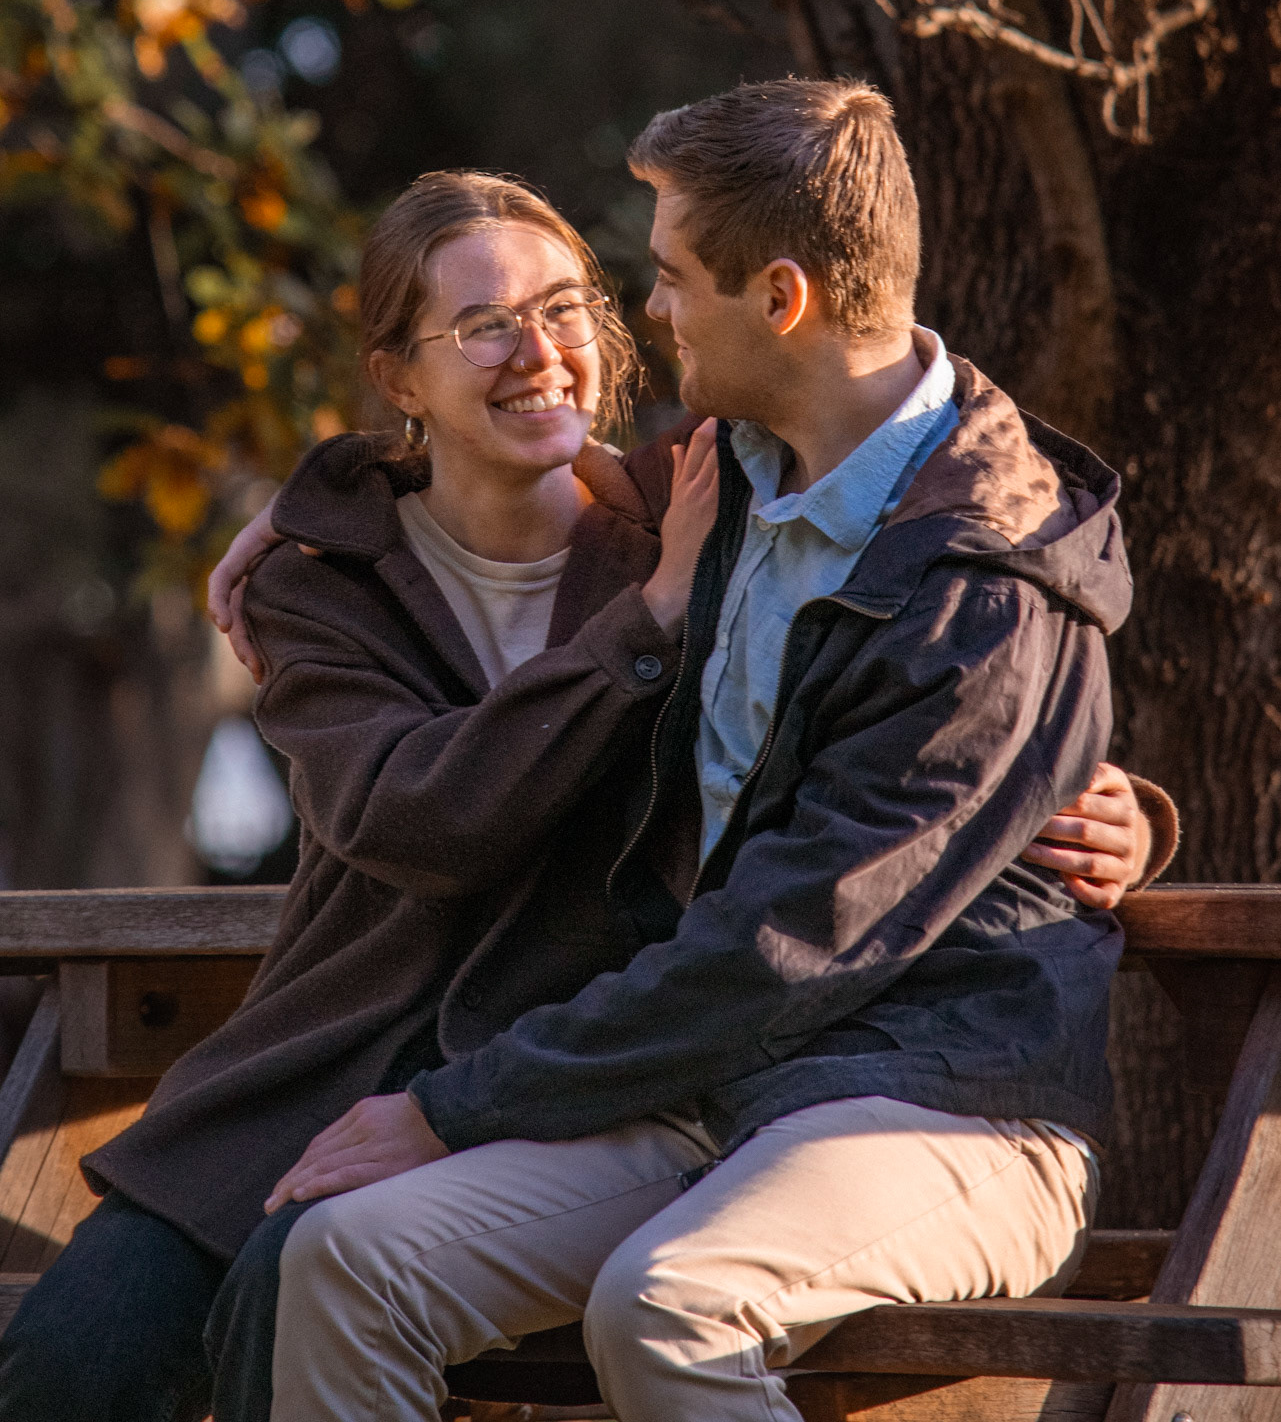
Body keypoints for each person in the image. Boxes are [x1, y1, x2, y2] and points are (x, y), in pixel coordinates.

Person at [233, 79, 1178, 1422]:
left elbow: (790, 938)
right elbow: (491, 467)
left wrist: (453, 1108)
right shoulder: (732, 465)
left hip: (946, 1102)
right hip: (722, 1080)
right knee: (343, 1261)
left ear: (779, 299)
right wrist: (301, 527)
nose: (652, 307)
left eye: (673, 275)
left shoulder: (983, 584)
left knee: (669, 1305)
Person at [0, 169, 723, 1422]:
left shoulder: (701, 525)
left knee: (291, 1296)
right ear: (399, 376)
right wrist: (647, 624)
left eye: (562, 307)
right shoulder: (322, 584)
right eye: (483, 325)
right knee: (72, 1360)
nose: (538, 351)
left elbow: (914, 470)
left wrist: (1079, 788)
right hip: (316, 1077)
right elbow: (418, 820)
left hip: (564, 1087)